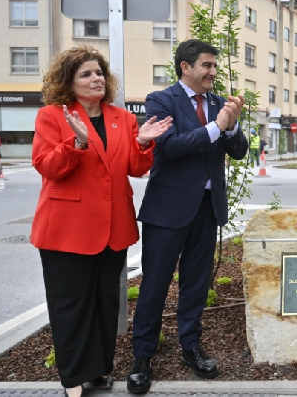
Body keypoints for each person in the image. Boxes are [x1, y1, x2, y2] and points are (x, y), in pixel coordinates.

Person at [30, 45, 172, 397]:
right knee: (72, 305)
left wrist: (141, 143)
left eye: (99, 73)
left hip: (112, 227)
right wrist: (76, 143)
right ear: (68, 82)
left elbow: (136, 170)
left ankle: (98, 371)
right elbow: (47, 166)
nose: (96, 79)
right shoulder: (52, 116)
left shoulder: (121, 118)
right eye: (86, 74)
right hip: (66, 228)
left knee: (105, 303)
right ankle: (74, 376)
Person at [128, 39, 247, 393]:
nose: (213, 72)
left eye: (214, 66)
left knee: (195, 284)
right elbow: (171, 146)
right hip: (167, 211)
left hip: (207, 210)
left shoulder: (218, 103)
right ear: (185, 67)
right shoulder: (161, 100)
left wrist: (233, 126)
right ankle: (143, 355)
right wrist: (216, 127)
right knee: (155, 285)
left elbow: (238, 152)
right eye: (207, 66)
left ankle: (190, 346)